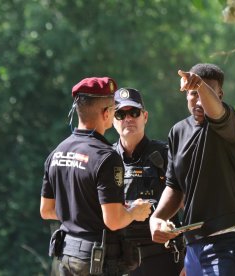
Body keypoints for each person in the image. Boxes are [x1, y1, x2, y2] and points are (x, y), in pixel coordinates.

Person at [149, 63, 235, 276]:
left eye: (204, 92)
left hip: (227, 243)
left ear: (220, 94)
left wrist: (199, 85)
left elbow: (215, 110)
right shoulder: (177, 132)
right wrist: (157, 218)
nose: (198, 100)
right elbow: (174, 186)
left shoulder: (228, 123)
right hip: (194, 245)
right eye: (192, 94)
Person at [40, 77, 152, 276]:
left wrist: (82, 211)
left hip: (66, 257)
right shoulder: (106, 157)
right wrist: (135, 212)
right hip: (94, 262)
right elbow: (114, 221)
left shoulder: (56, 153)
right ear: (106, 113)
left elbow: (47, 210)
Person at [112, 87, 184, 275]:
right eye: (120, 114)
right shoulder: (105, 159)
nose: (128, 118)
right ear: (112, 120)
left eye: (134, 112)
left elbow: (190, 205)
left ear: (145, 116)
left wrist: (190, 258)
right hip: (120, 260)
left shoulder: (166, 154)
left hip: (165, 258)